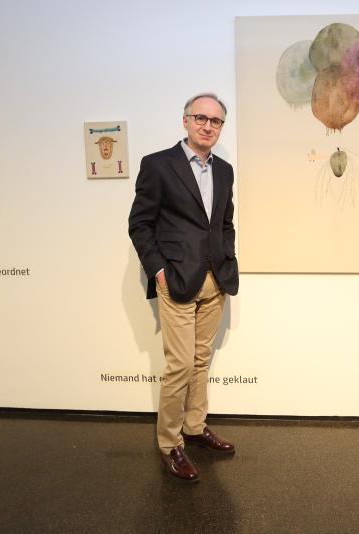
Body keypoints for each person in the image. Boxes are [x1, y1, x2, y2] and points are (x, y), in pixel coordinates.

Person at [128, 93, 239, 482]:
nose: (208, 126)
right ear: (185, 121)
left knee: (200, 359)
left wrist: (227, 257)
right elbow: (140, 224)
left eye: (216, 121)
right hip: (175, 279)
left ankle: (194, 426)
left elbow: (224, 222)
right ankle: (170, 442)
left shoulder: (224, 170)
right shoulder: (158, 165)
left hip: (215, 280)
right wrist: (157, 269)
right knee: (179, 365)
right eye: (201, 118)